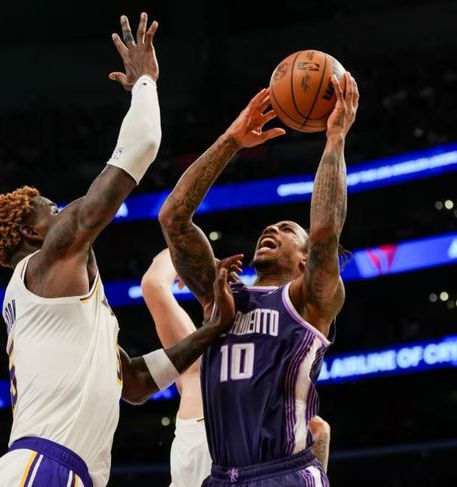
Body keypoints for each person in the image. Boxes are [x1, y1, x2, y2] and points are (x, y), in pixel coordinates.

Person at [0, 13, 240, 487]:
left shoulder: (56, 308)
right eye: (52, 210)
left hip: (51, 467)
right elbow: (142, 145)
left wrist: (212, 329)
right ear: (33, 234)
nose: (64, 213)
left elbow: (134, 382)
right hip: (45, 465)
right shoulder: (46, 264)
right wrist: (144, 82)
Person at [159, 71, 358, 486]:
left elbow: (325, 232)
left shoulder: (309, 300)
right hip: (221, 476)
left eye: (287, 229)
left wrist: (335, 138)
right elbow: (173, 218)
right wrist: (231, 141)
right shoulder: (222, 298)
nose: (272, 229)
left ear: (305, 260)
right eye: (271, 227)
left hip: (283, 473)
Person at [141, 250, 333, 486]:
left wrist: (180, 257)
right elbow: (153, 286)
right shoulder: (196, 372)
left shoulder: (206, 378)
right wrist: (182, 257)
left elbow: (154, 285)